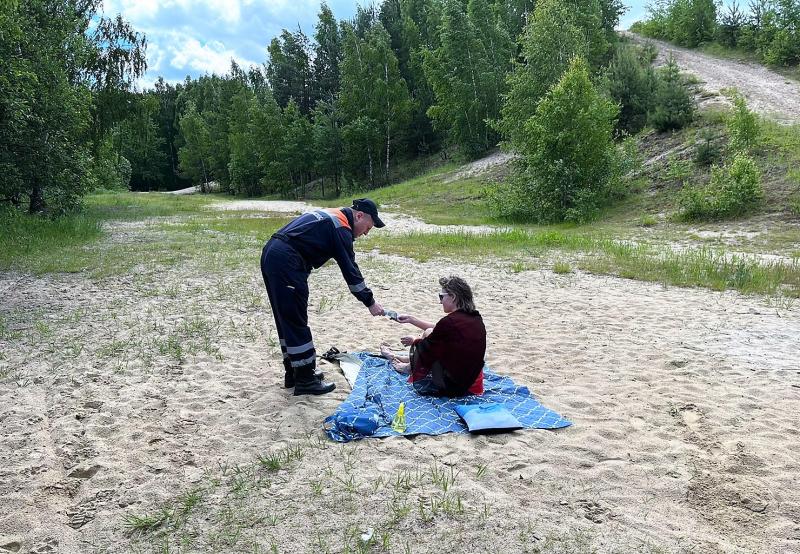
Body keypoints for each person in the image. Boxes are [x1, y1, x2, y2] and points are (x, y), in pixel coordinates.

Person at [261, 199, 385, 395]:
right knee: (295, 320)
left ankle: (294, 373)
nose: (366, 233)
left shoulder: (333, 214)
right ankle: (305, 379)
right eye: (368, 227)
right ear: (359, 216)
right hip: (287, 261)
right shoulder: (341, 227)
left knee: (286, 318)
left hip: (274, 253)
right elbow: (350, 270)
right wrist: (369, 302)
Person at [382, 276, 485, 397]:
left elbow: (429, 346)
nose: (440, 301)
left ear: (453, 297)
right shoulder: (474, 318)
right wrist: (411, 319)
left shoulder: (450, 322)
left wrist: (415, 341)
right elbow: (440, 330)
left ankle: (407, 366)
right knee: (430, 334)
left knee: (428, 337)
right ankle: (403, 359)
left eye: (441, 296)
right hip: (474, 383)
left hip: (457, 387)